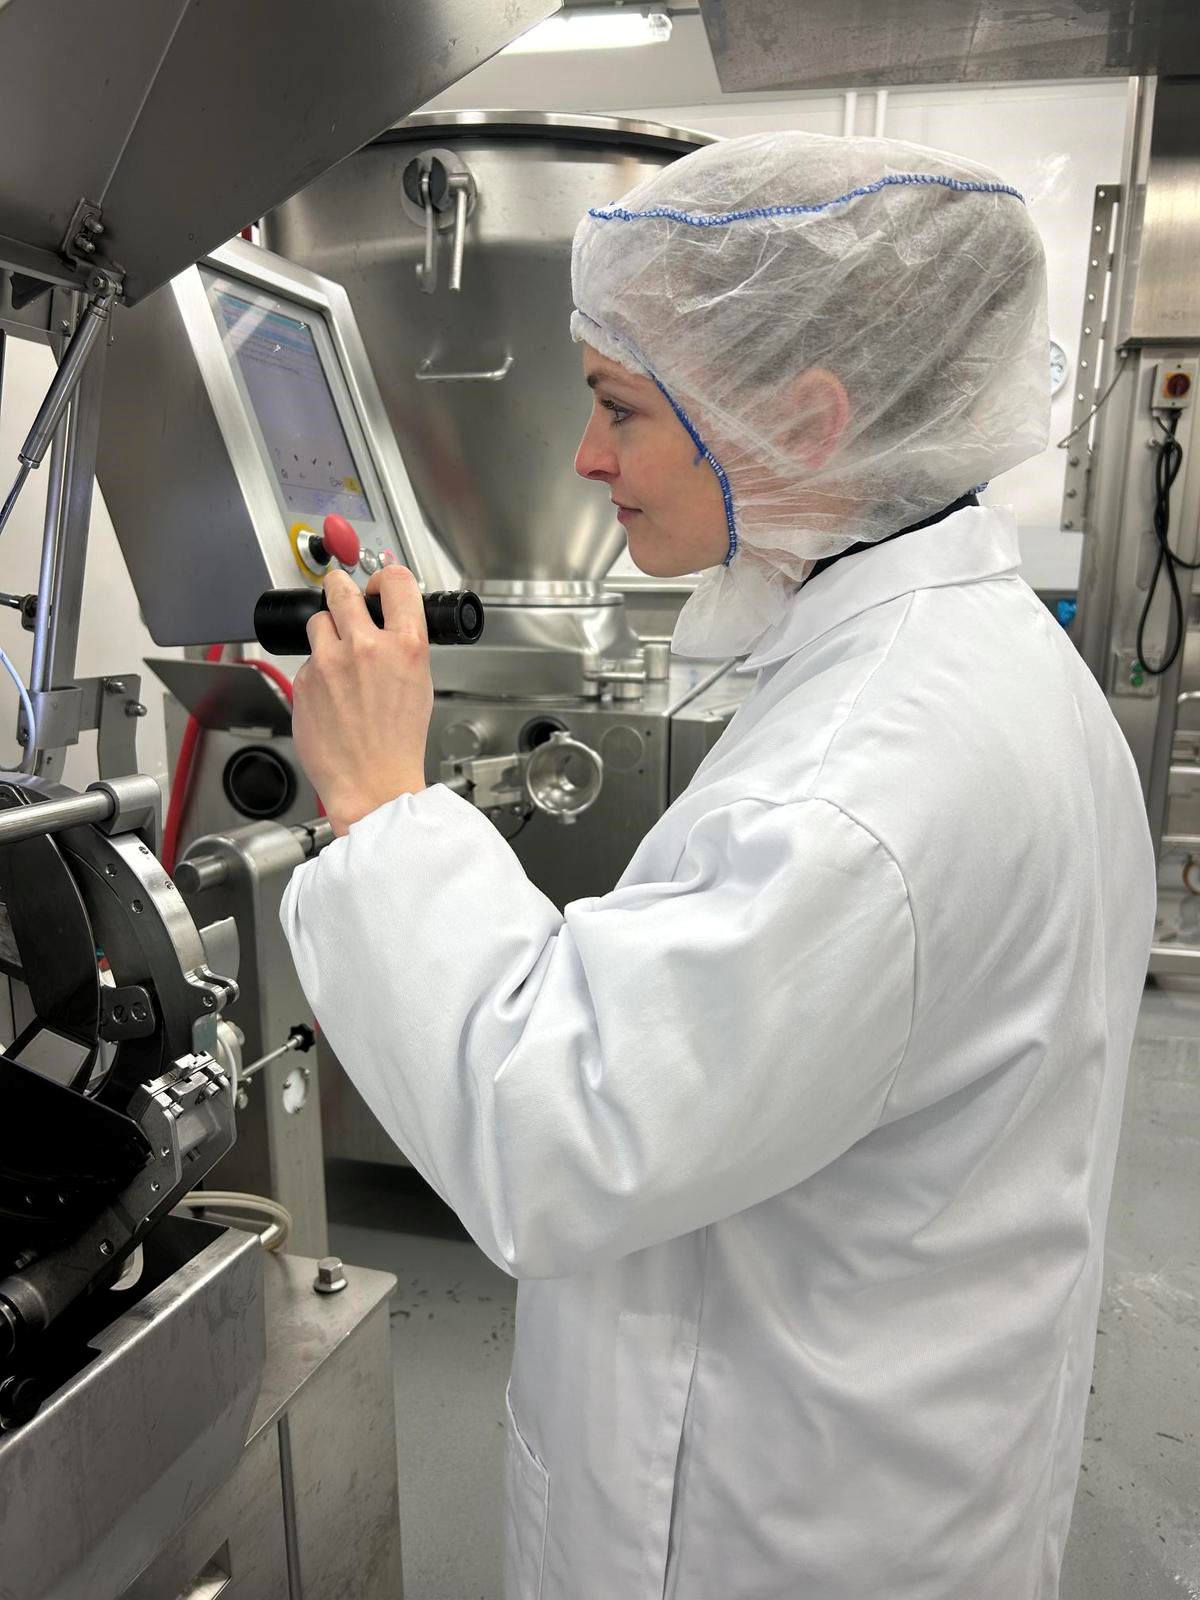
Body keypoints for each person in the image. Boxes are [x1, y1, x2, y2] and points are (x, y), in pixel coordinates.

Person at [282, 132, 1155, 1599]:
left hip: (785, 1531)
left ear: (806, 422)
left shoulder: (874, 782)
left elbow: (553, 1128)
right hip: (891, 1451)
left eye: (621, 404)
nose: (585, 456)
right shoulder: (968, 655)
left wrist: (382, 806)